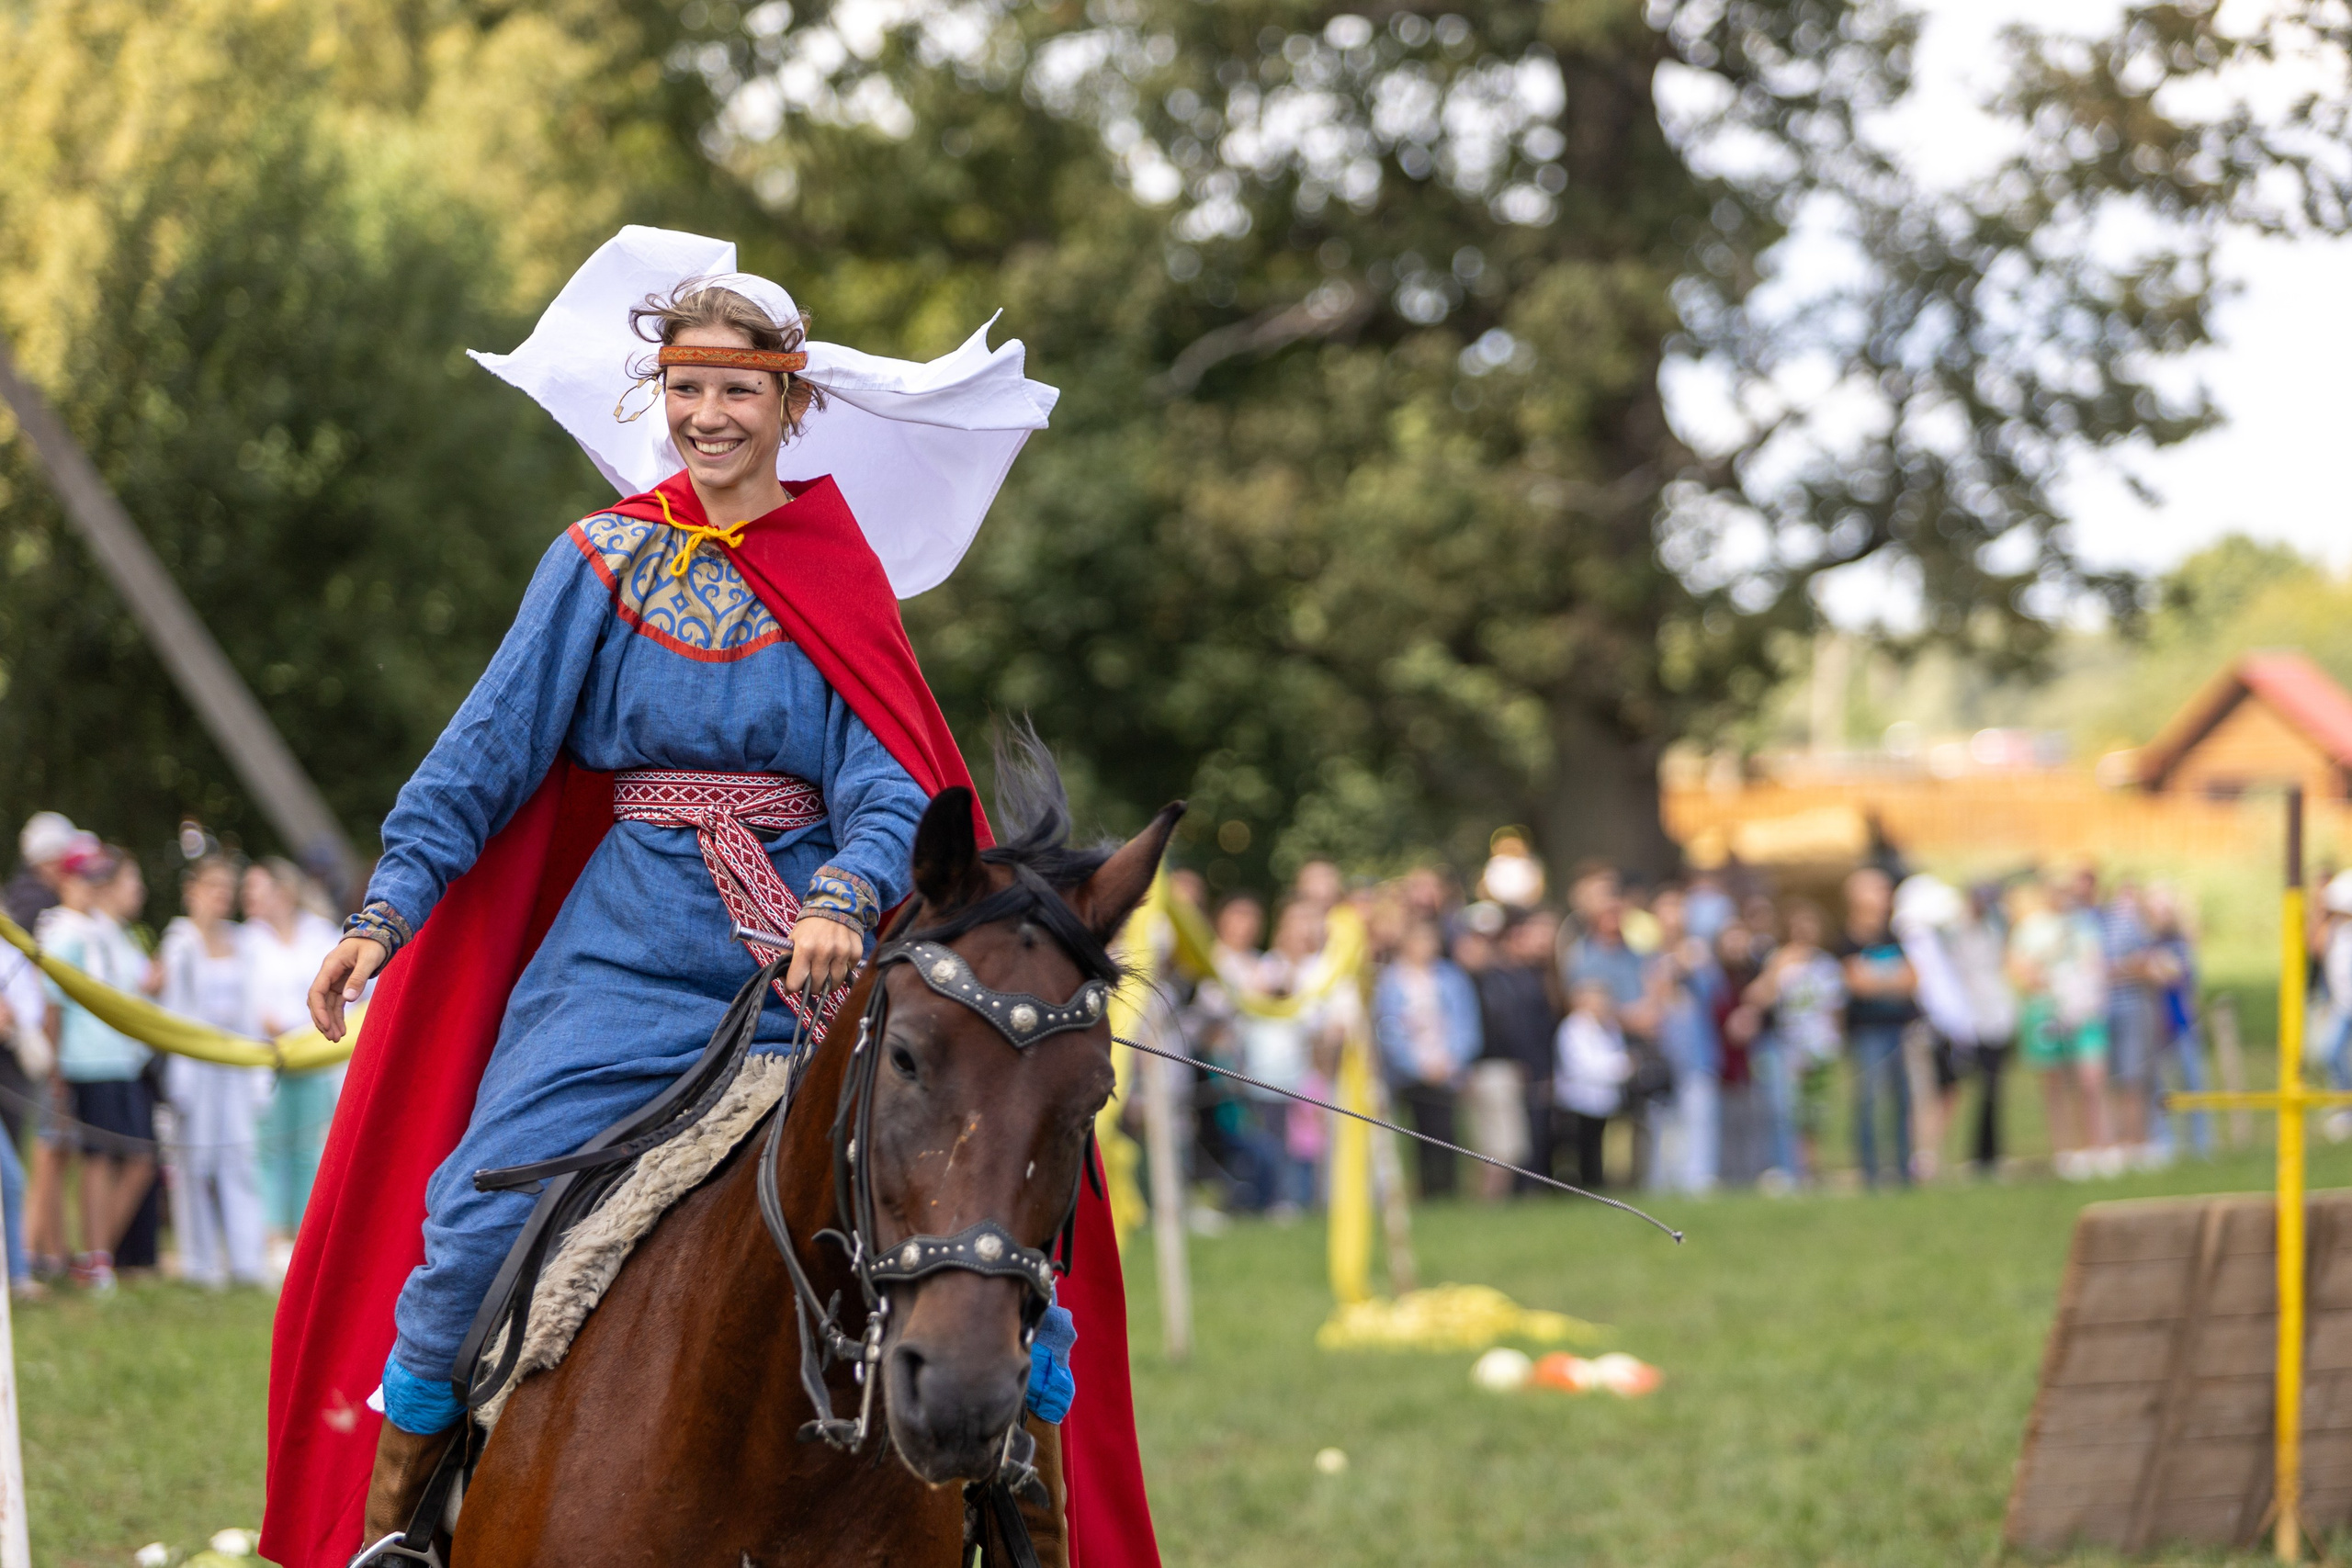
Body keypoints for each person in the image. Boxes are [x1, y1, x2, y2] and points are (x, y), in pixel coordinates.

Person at [260, 231, 1171, 1568]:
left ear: (791, 403)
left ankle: (1026, 1530)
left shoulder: (838, 574)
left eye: (738, 389)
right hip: (617, 970)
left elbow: (889, 782)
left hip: (811, 981)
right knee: (466, 1227)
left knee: (984, 1220)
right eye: (686, 387)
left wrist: (845, 896)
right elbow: (484, 756)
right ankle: (396, 1538)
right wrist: (383, 912)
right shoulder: (599, 561)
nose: (708, 415)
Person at [39, 842, 156, 1291]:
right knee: (97, 1159)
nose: (94, 887)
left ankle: (95, 1254)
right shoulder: (64, 931)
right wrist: (54, 1067)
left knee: (134, 1158)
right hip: (86, 1061)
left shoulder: (98, 929)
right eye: (87, 879)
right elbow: (53, 1005)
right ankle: (92, 1258)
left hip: (119, 1060)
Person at [158, 854, 271, 1288]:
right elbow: (173, 1007)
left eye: (227, 889)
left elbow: (251, 1009)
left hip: (233, 1062)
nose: (221, 897)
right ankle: (199, 1261)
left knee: (239, 1157)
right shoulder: (180, 942)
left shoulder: (242, 942)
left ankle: (246, 1258)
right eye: (213, 888)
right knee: (194, 1160)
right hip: (195, 1062)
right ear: (194, 891)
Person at [243, 859, 345, 1240]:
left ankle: (304, 1233)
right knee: (269, 1148)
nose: (250, 898)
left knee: (307, 1148)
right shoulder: (249, 940)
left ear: (283, 893)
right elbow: (249, 997)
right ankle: (272, 1234)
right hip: (269, 1059)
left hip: (315, 1055)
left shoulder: (320, 933)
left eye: (259, 889)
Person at [2010, 875, 2117, 1179]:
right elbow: (2019, 968)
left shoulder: (2084, 925)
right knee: (2055, 1082)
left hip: (2083, 1010)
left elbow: (2096, 964)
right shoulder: (2031, 929)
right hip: (2047, 1010)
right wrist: (2048, 981)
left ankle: (2098, 1147)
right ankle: (2065, 1152)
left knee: (2091, 1079)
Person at [1374, 917, 1482, 1200]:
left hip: (1447, 1070)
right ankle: (1419, 1192)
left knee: (1446, 1133)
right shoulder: (1390, 982)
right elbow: (1387, 1030)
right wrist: (1416, 1066)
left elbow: (1466, 1023)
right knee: (1413, 1135)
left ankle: (1447, 1191)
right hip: (1407, 1074)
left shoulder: (1451, 978)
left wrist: (1451, 1060)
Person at [1746, 900, 1844, 1186]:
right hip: (1786, 1046)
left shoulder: (1826, 965)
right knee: (1786, 1110)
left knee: (1814, 1112)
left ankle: (1809, 1168)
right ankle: (1788, 1167)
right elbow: (1756, 998)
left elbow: (1835, 1009)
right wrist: (1777, 968)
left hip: (1819, 1047)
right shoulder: (1780, 959)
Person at [1470, 910, 1563, 1197]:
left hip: (1536, 1068)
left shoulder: (1538, 976)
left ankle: (1533, 1191)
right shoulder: (1490, 978)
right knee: (1506, 1143)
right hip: (1507, 1067)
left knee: (1532, 1137)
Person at [1838, 866, 1917, 1190]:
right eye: (1879, 890)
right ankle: (1870, 1173)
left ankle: (1903, 1170)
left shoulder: (1894, 936)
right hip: (1866, 1032)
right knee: (1869, 1100)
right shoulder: (1846, 941)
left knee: (1903, 1101)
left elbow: (1912, 979)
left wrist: (1876, 980)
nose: (1886, 896)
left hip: (1898, 1029)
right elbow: (1857, 985)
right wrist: (1890, 980)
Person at [1947, 883, 2018, 1175]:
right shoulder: (1957, 931)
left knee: (1992, 1088)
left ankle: (1988, 1152)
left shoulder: (1994, 928)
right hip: (1967, 1018)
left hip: (1994, 1018)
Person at [1554, 977, 1632, 1188]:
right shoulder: (1573, 1028)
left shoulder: (1609, 1027)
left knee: (1600, 1148)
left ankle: (1598, 1184)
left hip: (1604, 1101)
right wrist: (1620, 1066)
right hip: (1580, 1101)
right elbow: (1584, 1066)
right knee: (1583, 1149)